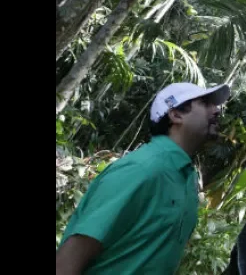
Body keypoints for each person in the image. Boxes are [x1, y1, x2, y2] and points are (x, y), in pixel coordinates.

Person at [56, 82, 231, 275]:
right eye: (206, 103)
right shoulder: (142, 168)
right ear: (176, 115)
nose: (216, 111)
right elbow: (70, 258)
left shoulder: (187, 180)